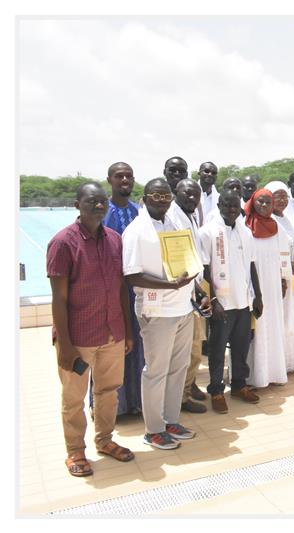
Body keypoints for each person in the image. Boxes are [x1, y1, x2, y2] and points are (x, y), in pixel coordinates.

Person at [48, 182, 135, 477]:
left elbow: (121, 288)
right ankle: (75, 451)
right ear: (77, 205)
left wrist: (127, 331)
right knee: (74, 399)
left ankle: (105, 440)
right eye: (92, 201)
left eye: (102, 202)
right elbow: (58, 299)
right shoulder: (63, 243)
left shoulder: (114, 240)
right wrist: (65, 345)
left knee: (109, 392)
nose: (99, 206)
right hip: (79, 336)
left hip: (113, 332)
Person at [123, 178, 201, 449]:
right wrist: (169, 285)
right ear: (145, 198)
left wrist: (194, 286)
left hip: (182, 306)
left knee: (178, 368)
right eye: (156, 195)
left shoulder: (176, 223)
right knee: (156, 370)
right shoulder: (136, 231)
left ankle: (170, 420)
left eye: (166, 195)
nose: (162, 199)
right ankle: (153, 429)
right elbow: (132, 275)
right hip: (157, 309)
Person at [199, 190, 264, 412]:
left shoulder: (246, 233)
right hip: (222, 303)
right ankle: (216, 390)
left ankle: (239, 385)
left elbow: (252, 265)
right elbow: (204, 268)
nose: (231, 209)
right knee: (217, 349)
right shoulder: (207, 232)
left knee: (241, 346)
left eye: (235, 206)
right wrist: (214, 299)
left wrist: (258, 296)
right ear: (218, 205)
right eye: (227, 205)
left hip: (243, 301)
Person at [97, 162, 143, 417]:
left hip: (134, 290)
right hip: (110, 292)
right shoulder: (102, 213)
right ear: (109, 180)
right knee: (110, 348)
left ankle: (134, 401)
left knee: (135, 343)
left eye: (128, 175)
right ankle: (108, 407)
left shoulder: (138, 213)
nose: (124, 180)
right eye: (119, 176)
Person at [164, 179, 208, 414]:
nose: (192, 198)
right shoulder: (172, 218)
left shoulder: (188, 215)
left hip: (194, 289)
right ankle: (180, 397)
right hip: (183, 292)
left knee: (195, 347)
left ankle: (187, 388)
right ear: (176, 193)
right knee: (187, 350)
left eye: (196, 195)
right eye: (187, 194)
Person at [244, 188, 291, 388]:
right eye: (260, 202)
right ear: (252, 203)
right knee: (255, 329)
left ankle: (273, 372)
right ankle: (253, 376)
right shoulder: (245, 228)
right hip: (252, 285)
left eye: (268, 203)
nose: (264, 206)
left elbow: (284, 255)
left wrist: (283, 280)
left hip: (272, 285)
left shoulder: (277, 227)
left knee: (272, 325)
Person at [266, 181, 294, 373]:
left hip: (293, 277)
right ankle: (277, 365)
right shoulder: (268, 219)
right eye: (277, 196)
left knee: (292, 318)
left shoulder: (286, 219)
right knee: (279, 320)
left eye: (284, 197)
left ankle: (291, 362)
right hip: (277, 279)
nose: (281, 200)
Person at [196, 161, 220, 227]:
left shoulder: (219, 198)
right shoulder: (189, 195)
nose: (210, 174)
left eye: (213, 173)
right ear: (199, 173)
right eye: (206, 171)